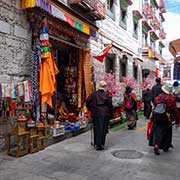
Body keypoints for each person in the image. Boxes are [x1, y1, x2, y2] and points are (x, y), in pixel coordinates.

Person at [149, 84, 180, 155]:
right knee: (167, 132)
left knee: (157, 132)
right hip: (167, 117)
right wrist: (178, 120)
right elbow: (175, 110)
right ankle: (166, 146)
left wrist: (152, 118)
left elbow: (154, 108)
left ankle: (156, 145)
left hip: (157, 117)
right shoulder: (172, 98)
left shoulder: (157, 98)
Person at [86, 80, 113, 151]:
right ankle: (101, 144)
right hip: (105, 113)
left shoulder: (93, 94)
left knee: (97, 128)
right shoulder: (107, 94)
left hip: (96, 113)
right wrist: (110, 113)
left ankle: (97, 144)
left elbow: (87, 101)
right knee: (103, 129)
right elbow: (110, 105)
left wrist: (91, 109)